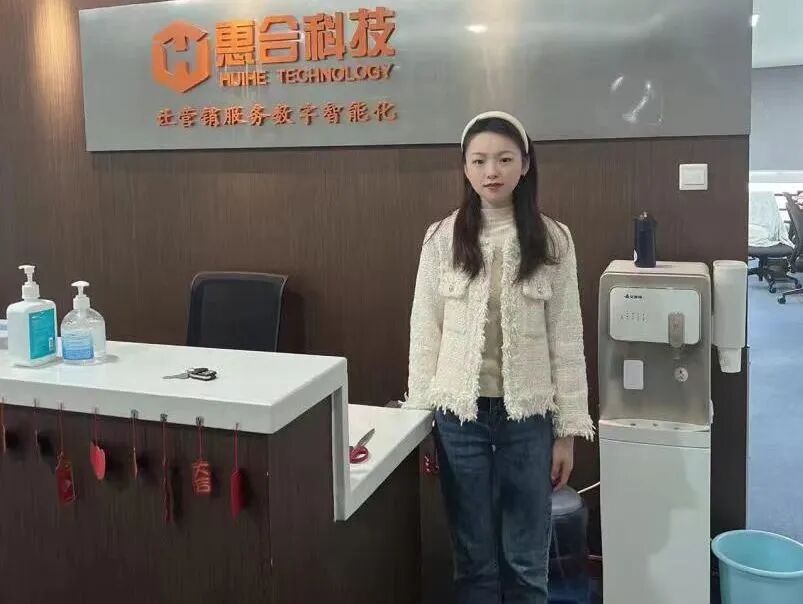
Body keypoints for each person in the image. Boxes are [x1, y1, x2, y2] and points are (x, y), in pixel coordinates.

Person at [403, 111, 595, 604]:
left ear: (525, 165)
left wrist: (566, 433)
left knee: (526, 563)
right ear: (465, 167)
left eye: (505, 159)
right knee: (474, 563)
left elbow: (566, 338)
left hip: (527, 418)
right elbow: (425, 332)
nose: (492, 171)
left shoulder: (553, 240)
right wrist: (420, 422)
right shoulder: (441, 238)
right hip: (459, 420)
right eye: (480, 160)